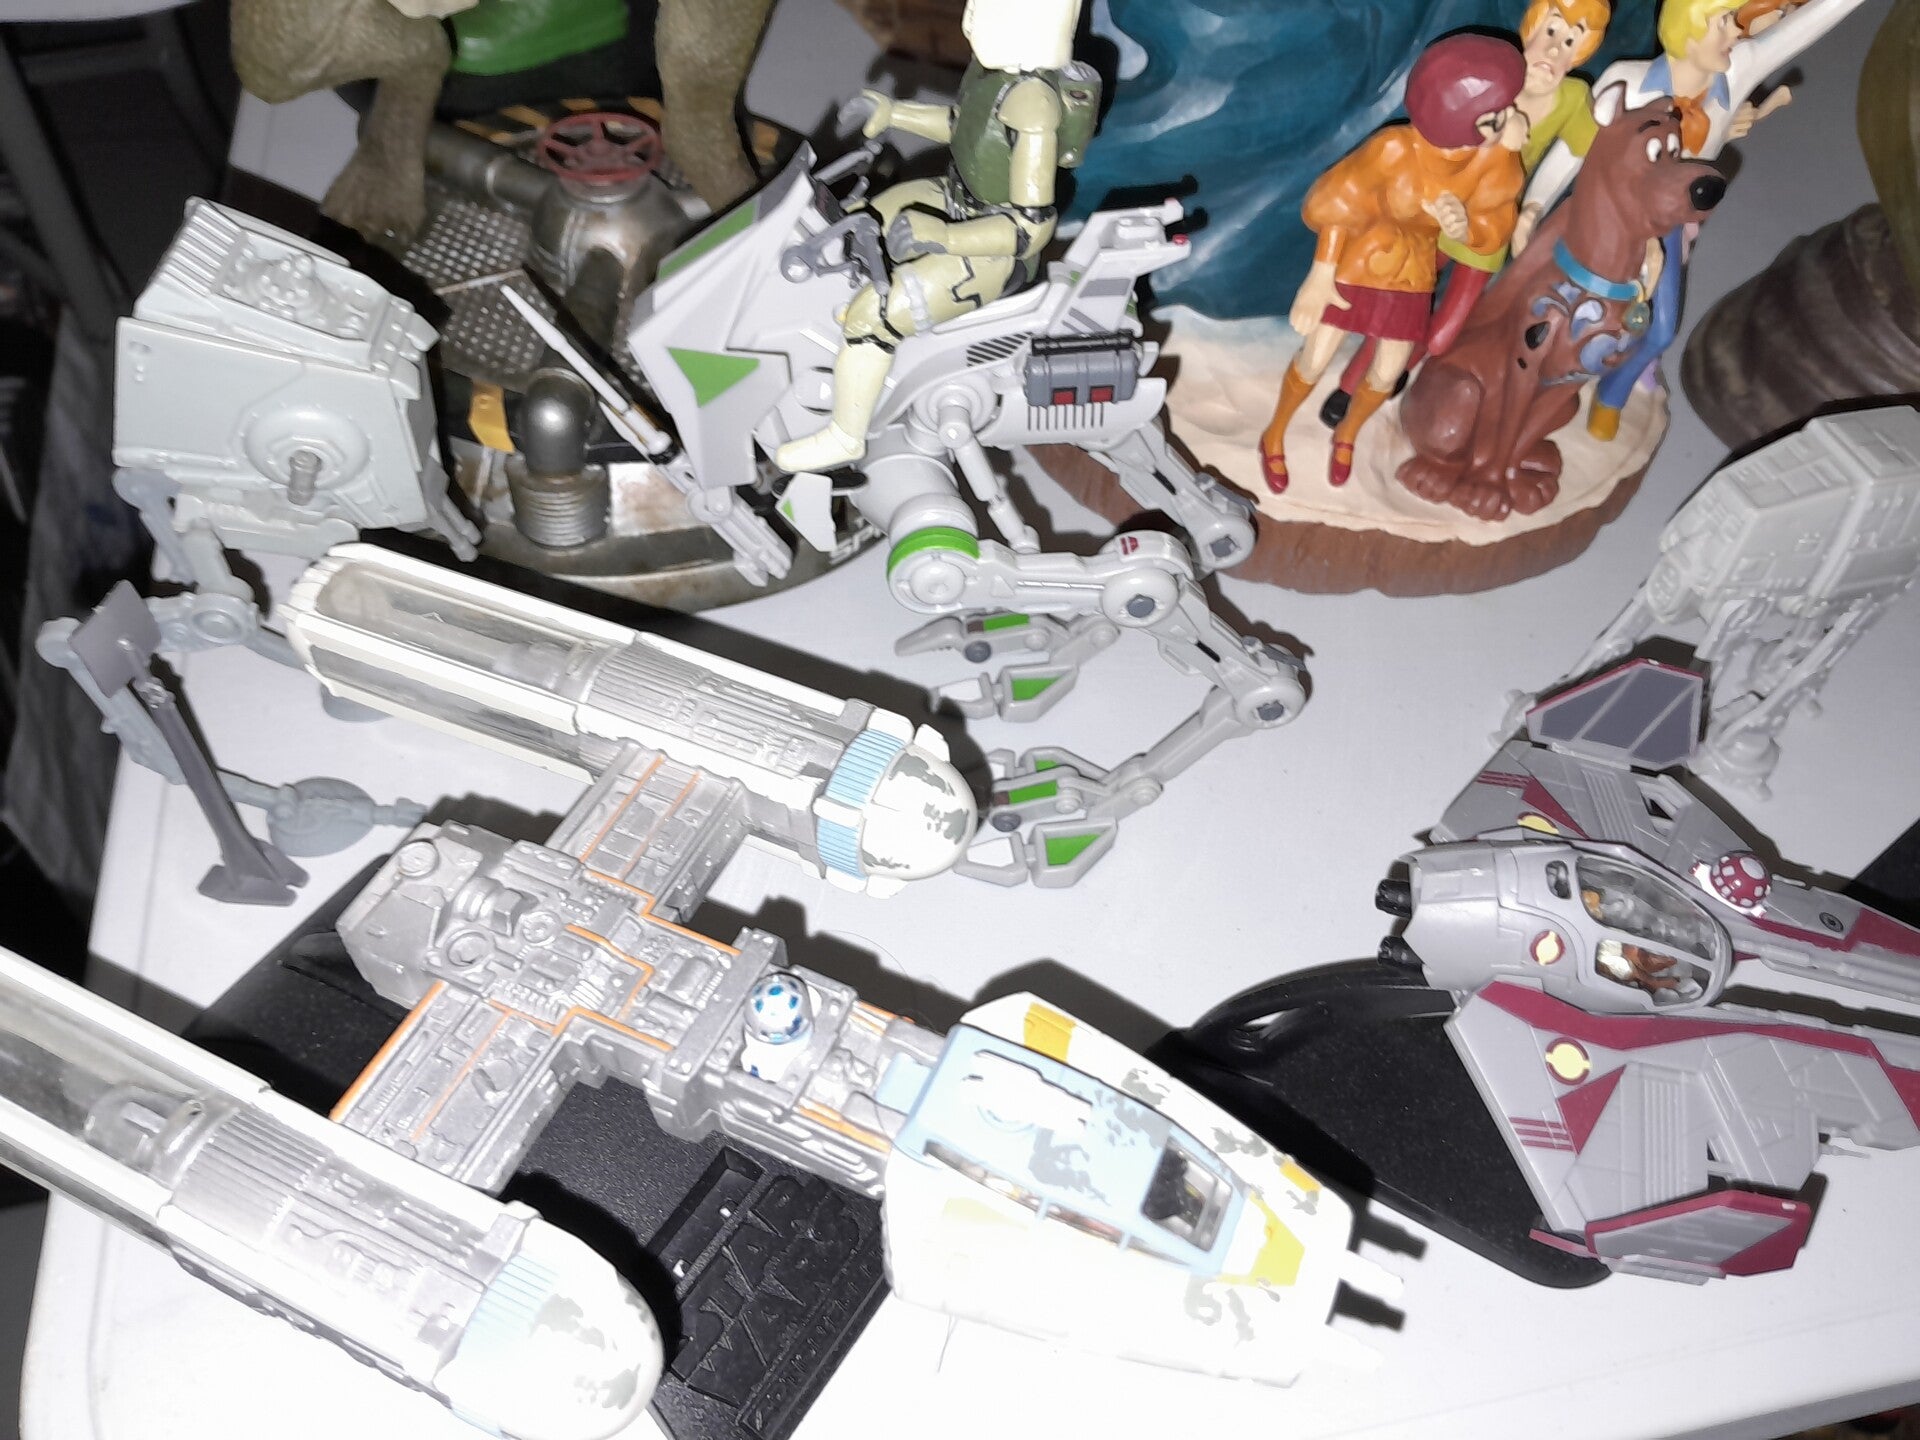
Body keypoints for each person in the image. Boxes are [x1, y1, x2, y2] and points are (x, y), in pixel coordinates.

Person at [1523, 0, 1872, 440]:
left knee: (1660, 328)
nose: (1735, 32)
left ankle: (1612, 395)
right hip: (1607, 215)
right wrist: (1535, 205)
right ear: (1690, 31)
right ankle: (1534, 388)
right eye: (1723, 23)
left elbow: (1800, 30)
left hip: (1666, 224)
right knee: (1560, 310)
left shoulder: (1738, 69)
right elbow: (1573, 151)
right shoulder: (1628, 82)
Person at [774, 0, 1095, 474]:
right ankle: (844, 344)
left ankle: (846, 435)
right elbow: (959, 126)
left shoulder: (1033, 107)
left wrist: (944, 236)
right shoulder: (994, 77)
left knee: (872, 316)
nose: (971, 18)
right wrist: (893, 112)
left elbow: (1029, 229)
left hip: (990, 251)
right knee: (853, 223)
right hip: (953, 199)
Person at [1322, 0, 1613, 428]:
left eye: (1570, 42)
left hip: (1489, 223)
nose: (1554, 51)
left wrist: (1534, 208)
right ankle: (1349, 386)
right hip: (1445, 208)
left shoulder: (1572, 98)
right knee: (1400, 302)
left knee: (1440, 335)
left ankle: (1399, 366)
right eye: (1551, 33)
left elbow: (1586, 154)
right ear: (1531, 29)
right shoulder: (1499, 74)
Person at [1259, 33, 1528, 495]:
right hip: (1360, 261)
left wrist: (1463, 227)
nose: (1512, 118)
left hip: (1413, 273)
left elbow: (1496, 222)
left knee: (1388, 371)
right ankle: (1275, 432)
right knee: (1316, 357)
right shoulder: (1395, 149)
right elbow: (1337, 203)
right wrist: (1321, 273)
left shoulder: (1492, 162)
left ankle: (1347, 434)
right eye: (1497, 112)